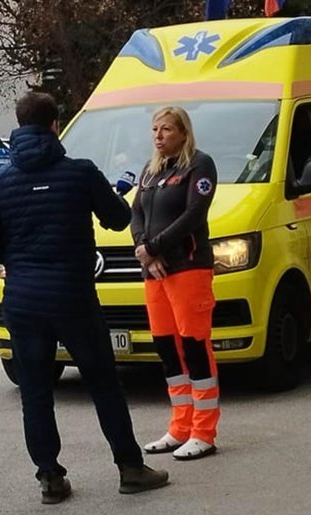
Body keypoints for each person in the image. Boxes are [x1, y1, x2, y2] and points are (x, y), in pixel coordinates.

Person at [0, 91, 169, 505]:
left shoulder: (0, 181)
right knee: (103, 383)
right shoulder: (79, 173)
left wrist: (21, 260)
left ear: (18, 124)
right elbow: (118, 219)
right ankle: (130, 468)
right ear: (55, 125)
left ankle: (50, 478)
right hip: (74, 297)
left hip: (24, 300)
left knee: (36, 391)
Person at [131, 106, 220, 461]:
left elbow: (193, 214)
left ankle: (204, 430)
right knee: (167, 348)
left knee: (195, 346)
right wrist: (145, 252)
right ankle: (179, 426)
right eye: (155, 129)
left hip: (188, 267)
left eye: (166, 129)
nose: (158, 136)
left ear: (183, 133)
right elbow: (137, 211)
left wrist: (155, 247)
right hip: (155, 271)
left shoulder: (199, 165)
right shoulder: (152, 170)